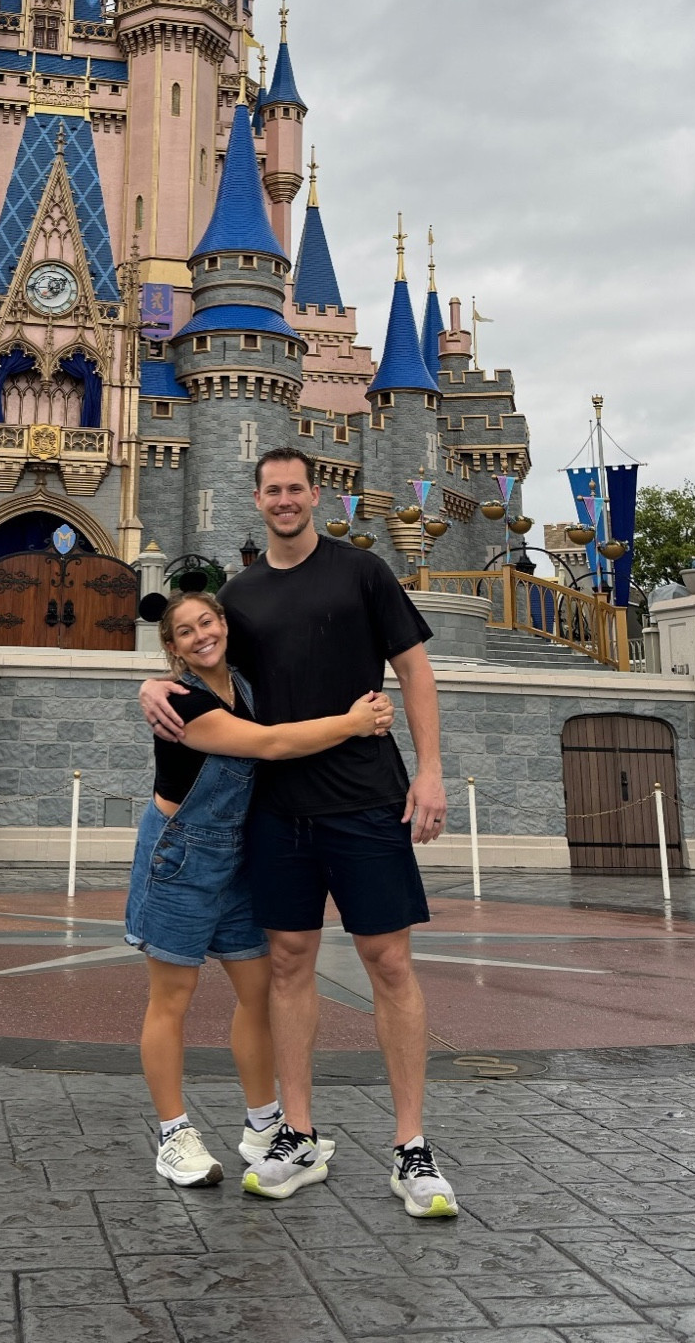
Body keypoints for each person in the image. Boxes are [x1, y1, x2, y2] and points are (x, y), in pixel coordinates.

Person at [139, 448, 458, 1216]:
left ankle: (411, 1147)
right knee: (286, 961)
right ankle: (299, 1135)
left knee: (389, 961)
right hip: (277, 810)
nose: (284, 500)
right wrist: (151, 683)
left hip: (365, 798)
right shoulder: (239, 596)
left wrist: (430, 771)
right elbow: (205, 669)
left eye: (295, 488)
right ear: (257, 500)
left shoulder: (364, 572)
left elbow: (415, 670)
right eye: (272, 491)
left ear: (317, 493)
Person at [126, 586, 395, 1193]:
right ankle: (173, 1134)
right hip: (181, 855)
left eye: (207, 622)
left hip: (239, 856)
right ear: (172, 648)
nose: (201, 636)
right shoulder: (183, 703)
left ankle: (264, 1123)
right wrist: (354, 723)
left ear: (224, 623)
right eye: (186, 631)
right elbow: (271, 744)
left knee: (258, 992)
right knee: (172, 997)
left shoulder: (244, 684)